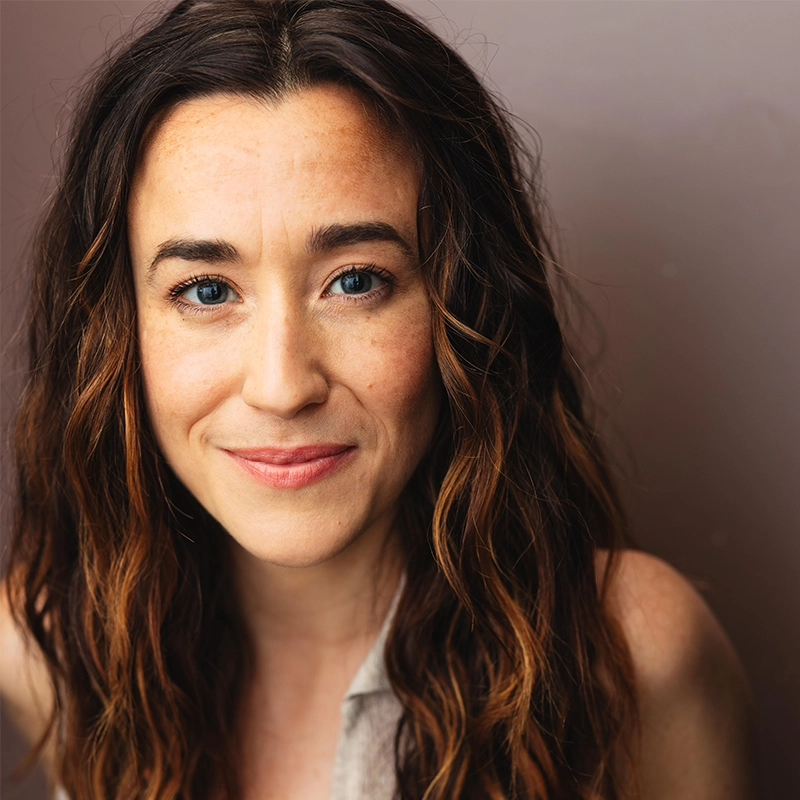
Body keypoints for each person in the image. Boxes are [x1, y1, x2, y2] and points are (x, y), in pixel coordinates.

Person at [0, 1, 757, 798]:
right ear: (113, 329)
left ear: (462, 308)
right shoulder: (46, 652)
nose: (282, 387)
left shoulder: (631, 654)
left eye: (356, 281)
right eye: (206, 290)